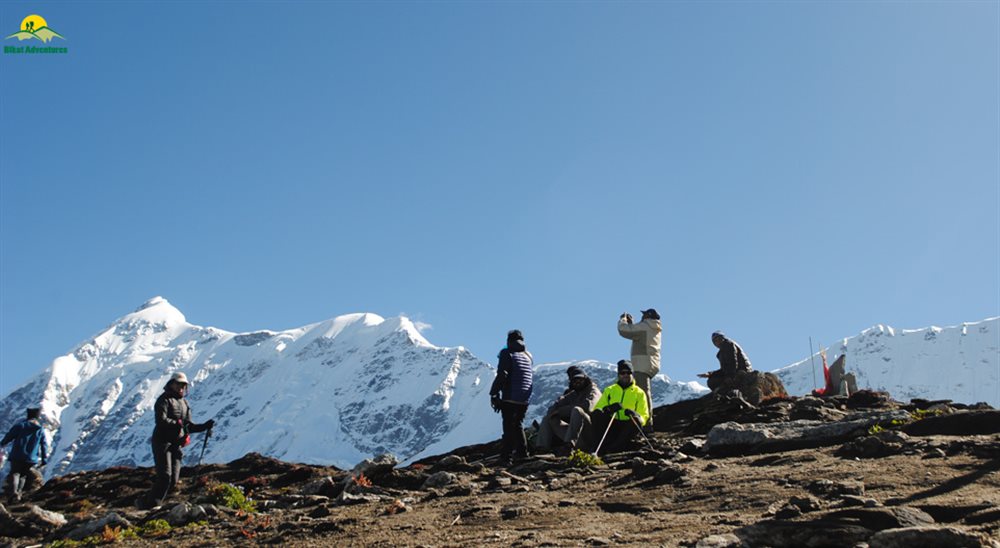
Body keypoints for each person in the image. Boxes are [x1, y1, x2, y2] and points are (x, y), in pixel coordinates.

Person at [140, 372, 214, 509]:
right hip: (162, 441)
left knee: (173, 480)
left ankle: (146, 501)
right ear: (172, 384)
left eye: (183, 385)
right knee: (165, 476)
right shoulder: (163, 400)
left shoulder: (184, 403)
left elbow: (188, 426)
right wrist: (177, 423)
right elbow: (161, 421)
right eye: (179, 384)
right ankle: (152, 505)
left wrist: (204, 426)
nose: (181, 387)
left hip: (176, 444)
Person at [581, 360, 650, 455]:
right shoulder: (609, 390)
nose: (625, 375)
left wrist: (636, 415)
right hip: (611, 423)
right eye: (622, 373)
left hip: (627, 425)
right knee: (597, 415)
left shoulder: (639, 393)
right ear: (618, 374)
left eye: (628, 372)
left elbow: (644, 414)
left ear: (632, 374)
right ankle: (598, 445)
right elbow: (598, 409)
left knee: (636, 420)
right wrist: (609, 409)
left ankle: (614, 448)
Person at [489, 330, 533, 466]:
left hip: (510, 396)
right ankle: (522, 454)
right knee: (518, 425)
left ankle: (506, 457)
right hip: (524, 397)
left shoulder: (506, 353)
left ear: (508, 341)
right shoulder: (528, 355)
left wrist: (494, 393)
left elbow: (503, 374)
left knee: (508, 427)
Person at [535, 366, 601, 454]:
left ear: (586, 379)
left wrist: (560, 411)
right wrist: (556, 409)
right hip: (577, 436)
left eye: (580, 379)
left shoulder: (593, 391)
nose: (578, 382)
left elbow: (588, 407)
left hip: (590, 434)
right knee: (549, 418)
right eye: (574, 380)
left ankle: (569, 446)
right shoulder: (573, 394)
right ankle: (542, 449)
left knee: (577, 410)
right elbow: (554, 408)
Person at [617, 308, 661, 428]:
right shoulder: (654, 327)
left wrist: (623, 320)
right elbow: (637, 336)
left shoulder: (645, 326)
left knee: (643, 393)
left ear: (648, 316)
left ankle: (647, 424)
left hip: (642, 364)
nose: (642, 316)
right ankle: (644, 421)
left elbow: (623, 330)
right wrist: (632, 325)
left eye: (644, 314)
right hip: (650, 363)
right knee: (643, 392)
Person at [1, 407, 48, 504]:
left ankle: (13, 492)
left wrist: (2, 444)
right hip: (31, 458)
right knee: (23, 476)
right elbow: (44, 445)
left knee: (15, 473)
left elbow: (9, 437)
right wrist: (44, 459)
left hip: (17, 455)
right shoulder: (40, 429)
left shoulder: (20, 426)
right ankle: (18, 494)